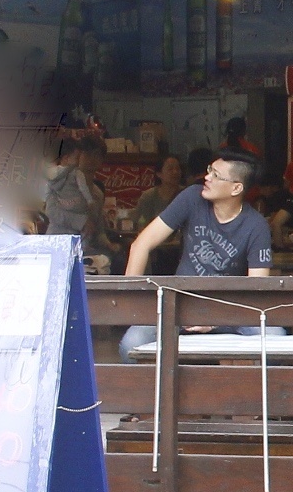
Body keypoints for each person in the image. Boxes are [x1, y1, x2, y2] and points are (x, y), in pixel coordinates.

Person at [118, 151, 276, 357]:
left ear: (237, 188)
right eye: (210, 170)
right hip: (180, 306)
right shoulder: (192, 197)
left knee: (275, 338)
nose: (207, 177)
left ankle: (247, 390)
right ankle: (148, 390)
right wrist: (132, 302)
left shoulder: (256, 226)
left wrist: (215, 319)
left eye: (216, 175)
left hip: (228, 312)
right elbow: (141, 244)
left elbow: (258, 291)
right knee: (131, 343)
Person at [44, 133, 114, 262]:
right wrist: (82, 222)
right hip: (57, 242)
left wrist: (109, 244)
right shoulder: (56, 182)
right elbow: (52, 212)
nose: (92, 159)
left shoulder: (97, 193)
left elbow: (98, 230)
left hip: (84, 249)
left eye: (97, 155)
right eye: (87, 154)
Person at [131, 155, 186, 274]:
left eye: (178, 168)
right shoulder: (148, 197)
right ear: (159, 174)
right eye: (170, 169)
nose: (175, 172)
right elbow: (141, 224)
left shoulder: (186, 195)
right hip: (157, 248)